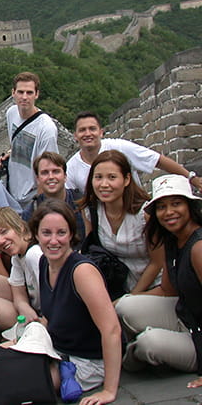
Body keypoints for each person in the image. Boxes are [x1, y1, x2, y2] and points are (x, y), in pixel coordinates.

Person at [31, 199, 122, 404]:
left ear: (71, 234)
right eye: (46, 233)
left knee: (27, 383)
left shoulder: (82, 272)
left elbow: (112, 330)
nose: (54, 241)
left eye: (61, 233)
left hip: (87, 360)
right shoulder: (44, 261)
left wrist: (109, 391)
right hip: (58, 350)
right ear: (36, 234)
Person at [115, 175, 202, 388]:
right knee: (126, 305)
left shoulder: (198, 247)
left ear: (190, 206)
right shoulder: (173, 239)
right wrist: (118, 302)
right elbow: (167, 290)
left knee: (149, 343)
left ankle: (131, 358)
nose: (169, 212)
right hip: (186, 316)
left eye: (176, 204)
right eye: (162, 207)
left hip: (199, 339)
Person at [79, 150, 163, 294]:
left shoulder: (145, 214)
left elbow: (158, 262)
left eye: (112, 177)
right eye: (98, 177)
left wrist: (132, 296)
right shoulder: (91, 211)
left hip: (153, 285)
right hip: (117, 284)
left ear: (126, 179)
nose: (104, 184)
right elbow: (91, 251)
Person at [66, 111, 202, 194]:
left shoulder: (119, 147)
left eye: (92, 129)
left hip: (135, 214)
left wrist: (191, 178)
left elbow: (157, 160)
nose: (88, 134)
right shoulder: (71, 167)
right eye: (82, 130)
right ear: (75, 136)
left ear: (101, 132)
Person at [0, 71, 59, 209]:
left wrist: (40, 206)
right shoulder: (11, 113)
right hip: (10, 192)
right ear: (13, 93)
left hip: (31, 198)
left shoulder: (46, 129)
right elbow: (17, 141)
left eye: (29, 93)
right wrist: (10, 153)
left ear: (37, 94)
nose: (24, 97)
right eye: (20, 92)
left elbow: (48, 171)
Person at [0, 207, 43, 326]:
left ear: (19, 226)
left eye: (4, 232)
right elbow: (17, 289)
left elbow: (55, 296)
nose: (1, 241)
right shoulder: (17, 256)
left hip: (46, 315)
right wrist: (23, 306)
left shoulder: (34, 254)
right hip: (32, 306)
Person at [22, 151, 85, 239]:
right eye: (45, 173)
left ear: (65, 176)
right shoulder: (30, 213)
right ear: (38, 179)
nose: (51, 177)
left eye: (56, 171)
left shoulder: (82, 203)